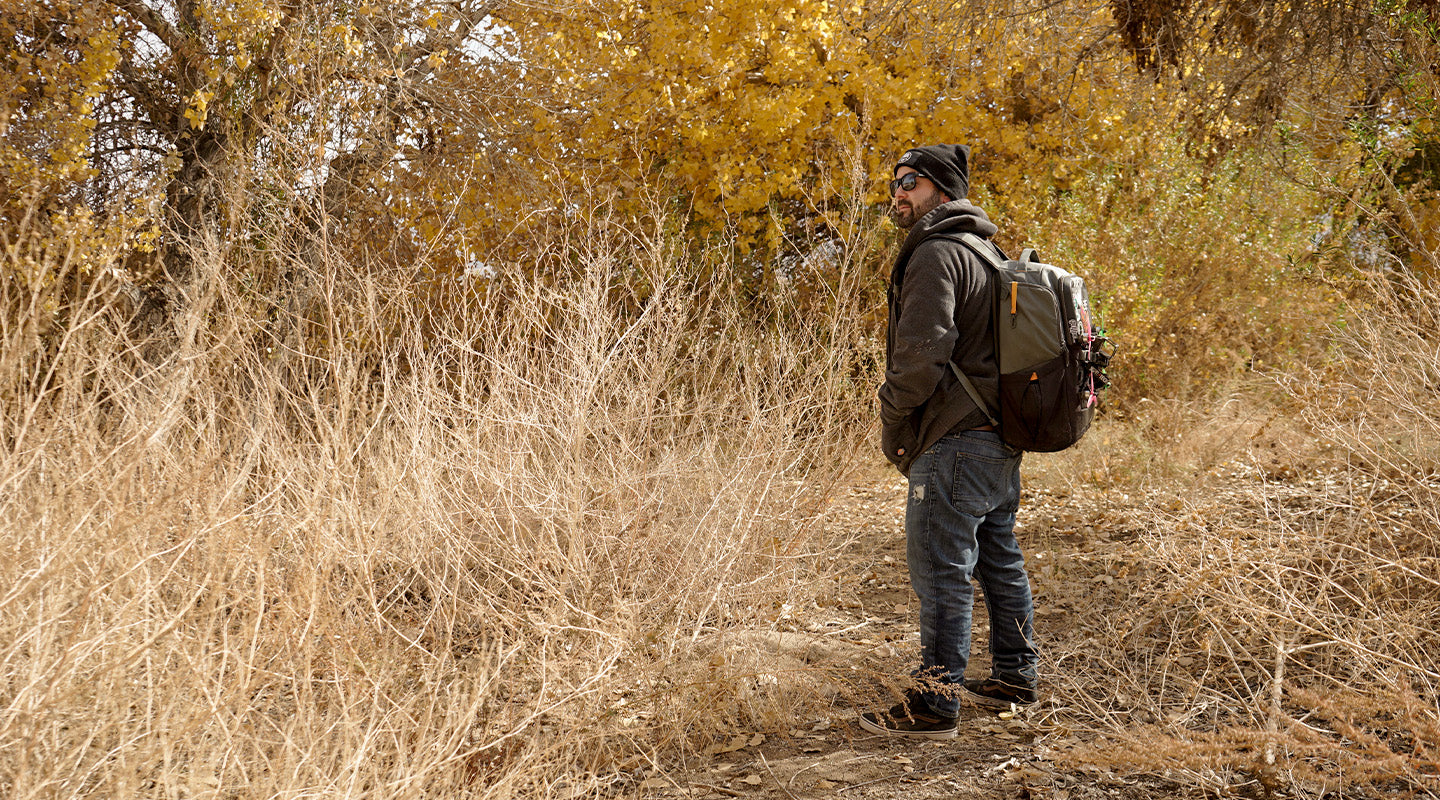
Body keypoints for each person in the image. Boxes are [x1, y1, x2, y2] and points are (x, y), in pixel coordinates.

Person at [858, 144, 1040, 740]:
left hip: (953, 442)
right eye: (894, 184)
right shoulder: (987, 251)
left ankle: (935, 705)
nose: (898, 194)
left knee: (942, 572)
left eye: (909, 182)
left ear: (941, 188)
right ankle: (1016, 676)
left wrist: (889, 415)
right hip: (996, 438)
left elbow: (918, 359)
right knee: (998, 559)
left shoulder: (937, 253)